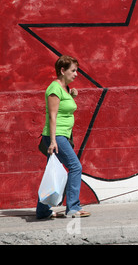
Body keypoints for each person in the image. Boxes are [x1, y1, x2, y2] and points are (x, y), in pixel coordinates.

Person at [36, 55, 90, 219]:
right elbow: (52, 116)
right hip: (56, 136)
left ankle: (43, 211)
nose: (76, 74)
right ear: (62, 70)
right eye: (73, 71)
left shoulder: (64, 89)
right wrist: (53, 141)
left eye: (76, 71)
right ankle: (73, 207)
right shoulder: (55, 88)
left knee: (51, 173)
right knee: (75, 167)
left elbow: (62, 111)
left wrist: (71, 96)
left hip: (61, 136)